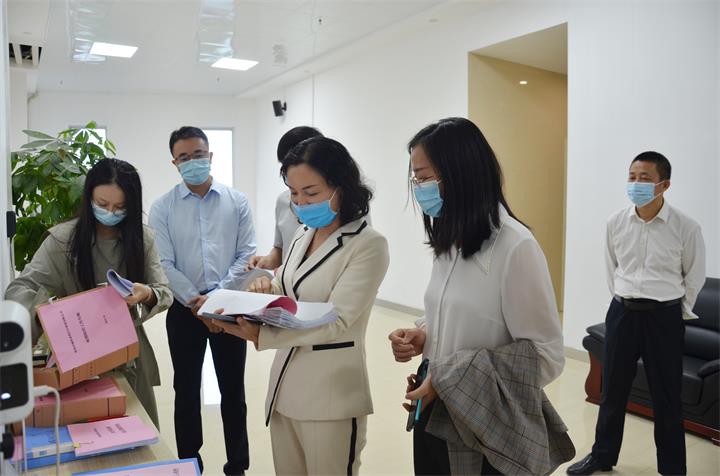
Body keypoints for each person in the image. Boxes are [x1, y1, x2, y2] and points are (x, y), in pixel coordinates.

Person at [389, 117, 566, 474]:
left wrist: (452, 378)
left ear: (460, 174)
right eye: (415, 179)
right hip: (432, 405)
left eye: (424, 177)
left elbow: (546, 356)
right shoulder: (449, 239)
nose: (418, 189)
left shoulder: (515, 246)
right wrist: (425, 333)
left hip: (483, 422)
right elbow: (459, 314)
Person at [212, 136, 389, 475]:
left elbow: (338, 320)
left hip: (331, 397)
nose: (301, 203)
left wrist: (262, 336)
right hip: (286, 390)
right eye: (294, 193)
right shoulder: (303, 233)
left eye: (311, 192)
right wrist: (264, 288)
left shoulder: (368, 244)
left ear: (342, 187)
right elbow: (286, 286)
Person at [567, 151, 705, 476]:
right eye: (632, 177)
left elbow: (694, 277)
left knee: (666, 396)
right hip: (623, 313)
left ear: (664, 185)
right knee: (612, 391)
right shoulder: (615, 222)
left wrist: (674, 310)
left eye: (645, 178)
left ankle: (672, 468)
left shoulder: (685, 227)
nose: (636, 184)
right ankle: (602, 456)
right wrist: (623, 299)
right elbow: (612, 268)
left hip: (664, 318)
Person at [5, 158, 171, 426]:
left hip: (129, 357)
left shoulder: (143, 239)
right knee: (88, 438)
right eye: (102, 204)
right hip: (77, 358)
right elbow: (21, 288)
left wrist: (146, 294)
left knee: (140, 435)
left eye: (120, 207)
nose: (110, 212)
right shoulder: (62, 240)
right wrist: (42, 314)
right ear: (88, 197)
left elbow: (163, 291)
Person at [148, 126, 256, 475]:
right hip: (185, 310)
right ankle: (189, 463)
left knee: (233, 391)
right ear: (174, 163)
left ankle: (237, 465)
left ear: (209, 156)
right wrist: (197, 302)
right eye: (184, 157)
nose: (192, 161)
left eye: (198, 154)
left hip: (229, 309)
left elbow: (246, 254)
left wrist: (217, 298)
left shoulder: (236, 201)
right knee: (186, 391)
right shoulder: (162, 207)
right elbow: (164, 263)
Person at [247, 126, 323, 271]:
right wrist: (267, 261)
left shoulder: (343, 205)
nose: (300, 203)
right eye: (286, 166)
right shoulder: (284, 201)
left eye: (311, 193)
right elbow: (281, 250)